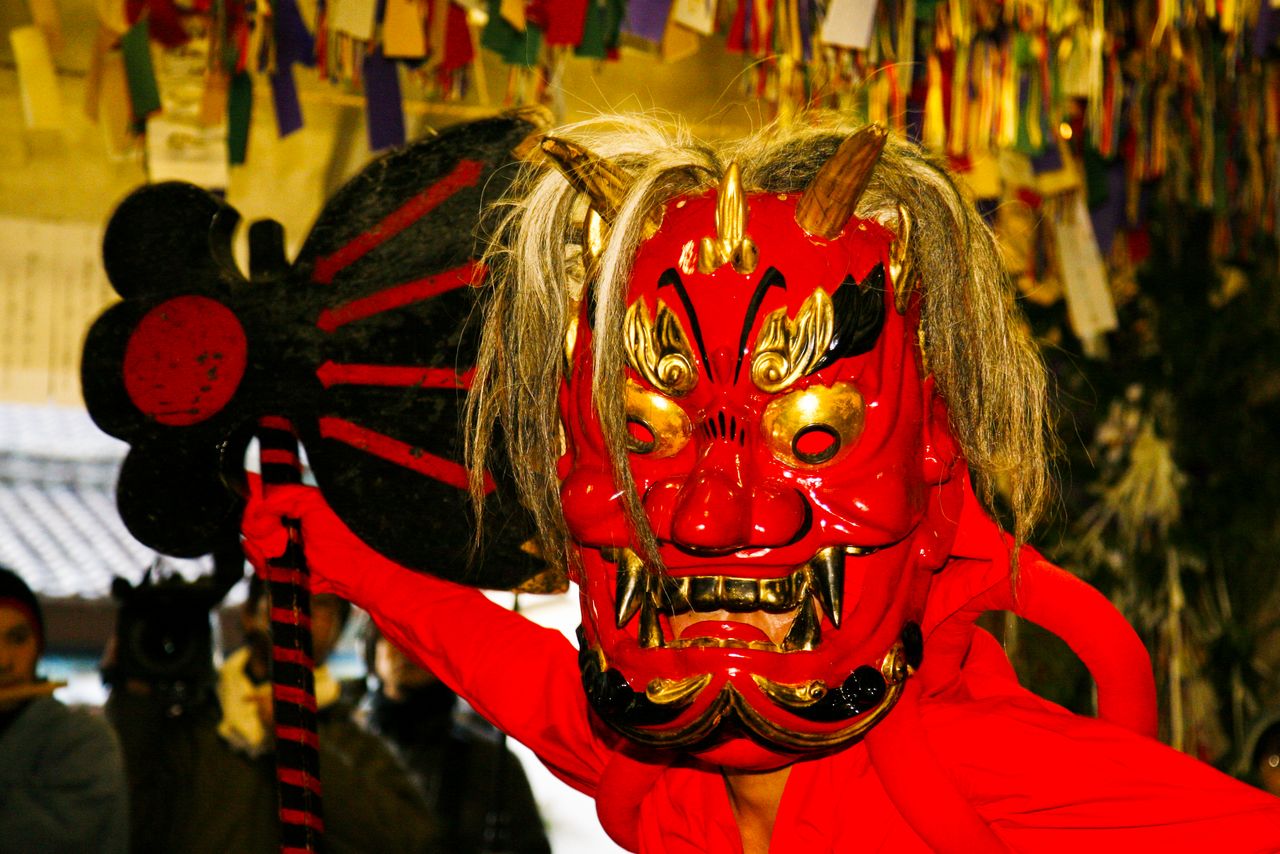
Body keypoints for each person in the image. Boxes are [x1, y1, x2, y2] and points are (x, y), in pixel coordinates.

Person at [243, 116, 1280, 851]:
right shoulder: (656, 774)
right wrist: (329, 547)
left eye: (815, 438)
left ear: (927, 478)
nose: (706, 514)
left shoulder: (986, 768)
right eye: (644, 435)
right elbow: (520, 678)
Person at [107, 575, 441, 853]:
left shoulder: (354, 745)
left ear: (338, 630)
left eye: (322, 604)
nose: (302, 611)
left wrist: (304, 747)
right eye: (287, 594)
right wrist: (134, 701)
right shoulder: (194, 728)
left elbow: (409, 841)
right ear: (251, 613)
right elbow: (128, 821)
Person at [358, 625, 551, 853]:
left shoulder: (493, 761)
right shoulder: (349, 750)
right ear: (372, 651)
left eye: (418, 636)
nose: (405, 648)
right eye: (393, 635)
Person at [0, 566, 129, 853]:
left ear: (39, 645)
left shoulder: (83, 740)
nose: (4, 661)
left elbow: (42, 839)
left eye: (18, 639)